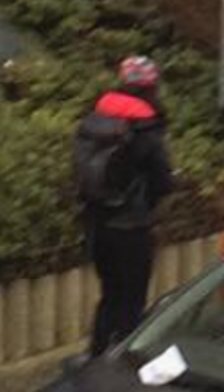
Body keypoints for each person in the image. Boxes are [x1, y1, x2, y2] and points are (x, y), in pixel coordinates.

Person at [74, 56, 174, 356]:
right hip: (132, 228)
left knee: (110, 297)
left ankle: (97, 354)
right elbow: (163, 181)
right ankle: (125, 365)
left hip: (96, 224)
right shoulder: (145, 128)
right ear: (152, 86)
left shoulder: (94, 120)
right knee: (132, 302)